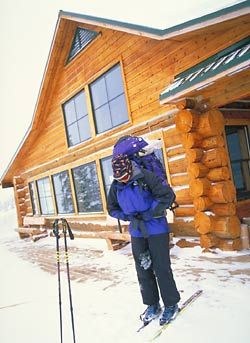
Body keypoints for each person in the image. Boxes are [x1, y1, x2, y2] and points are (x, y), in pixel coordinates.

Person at [107, 153, 180, 326]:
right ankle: (152, 305)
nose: (123, 180)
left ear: (130, 169)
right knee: (143, 269)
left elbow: (167, 196)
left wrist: (151, 212)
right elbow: (111, 208)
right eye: (119, 178)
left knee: (161, 268)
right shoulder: (116, 185)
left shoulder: (147, 177)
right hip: (137, 231)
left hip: (156, 228)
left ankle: (171, 304)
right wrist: (128, 217)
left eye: (125, 176)